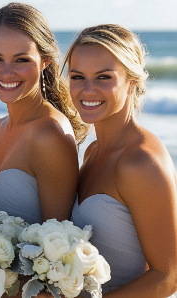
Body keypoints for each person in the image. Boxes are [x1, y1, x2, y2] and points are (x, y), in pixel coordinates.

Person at [66, 24, 177, 297]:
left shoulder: (140, 163)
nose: (87, 90)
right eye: (77, 76)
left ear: (132, 81)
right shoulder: (92, 152)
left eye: (104, 77)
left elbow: (168, 275)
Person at [0, 3, 88, 226]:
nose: (7, 72)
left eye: (21, 59)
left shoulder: (50, 134)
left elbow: (58, 240)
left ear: (44, 61)